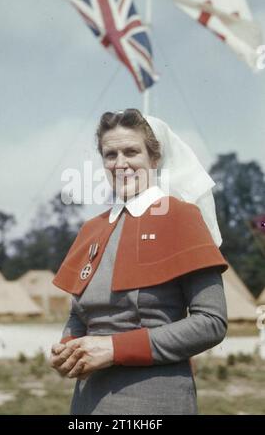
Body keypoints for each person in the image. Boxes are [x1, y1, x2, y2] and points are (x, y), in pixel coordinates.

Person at [50, 108, 228, 415]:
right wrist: (69, 348)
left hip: (155, 399)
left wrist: (114, 349)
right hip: (88, 402)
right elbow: (79, 315)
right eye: (110, 154)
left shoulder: (181, 217)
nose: (120, 164)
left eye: (131, 151)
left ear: (154, 159)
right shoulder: (92, 228)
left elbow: (211, 322)